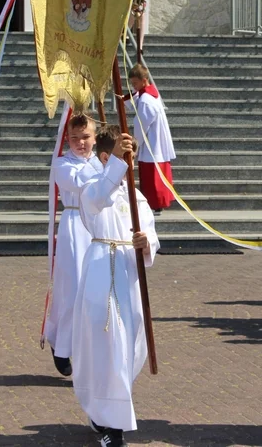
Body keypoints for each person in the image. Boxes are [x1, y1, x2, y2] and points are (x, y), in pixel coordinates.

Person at [72, 126, 159, 447]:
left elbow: (150, 231)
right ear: (107, 158)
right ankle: (112, 424)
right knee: (107, 344)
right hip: (100, 269)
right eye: (125, 158)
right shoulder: (93, 186)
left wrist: (145, 241)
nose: (130, 165)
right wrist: (118, 165)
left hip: (128, 273)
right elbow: (96, 202)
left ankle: (106, 409)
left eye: (132, 159)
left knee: (131, 346)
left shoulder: (136, 195)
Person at [45, 114, 103, 376]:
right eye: (75, 138)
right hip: (74, 224)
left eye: (86, 137)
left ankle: (88, 350)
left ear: (95, 137)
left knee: (95, 291)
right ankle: (62, 345)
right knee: (73, 288)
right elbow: (81, 183)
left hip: (98, 227)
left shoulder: (102, 161)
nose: (81, 143)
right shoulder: (62, 163)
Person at [125, 63, 175, 214]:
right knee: (155, 176)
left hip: (151, 143)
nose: (133, 87)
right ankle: (157, 203)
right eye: (132, 84)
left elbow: (141, 124)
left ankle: (154, 204)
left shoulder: (146, 99)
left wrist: (136, 144)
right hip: (156, 141)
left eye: (135, 83)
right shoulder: (151, 94)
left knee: (152, 177)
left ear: (144, 79)